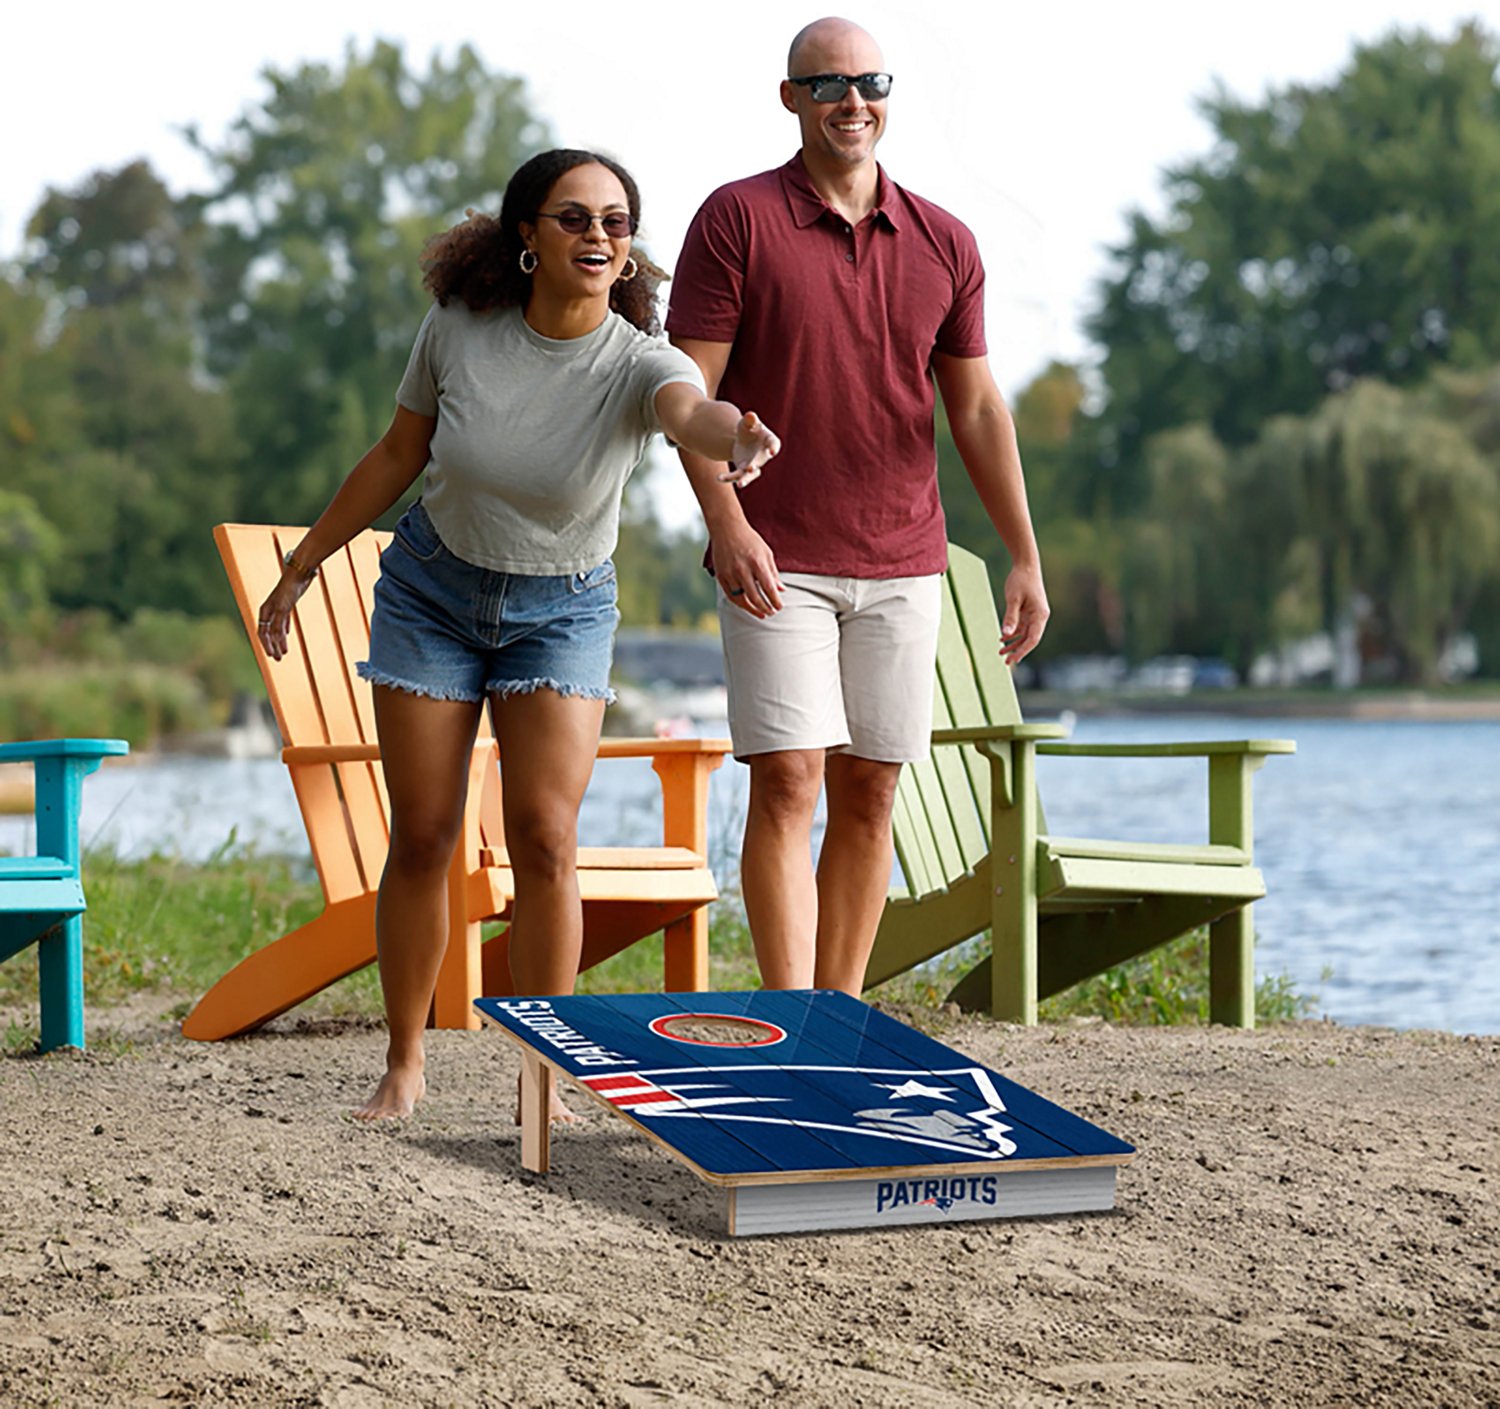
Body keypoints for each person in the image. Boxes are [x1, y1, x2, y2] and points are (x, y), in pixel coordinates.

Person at [255, 149, 781, 1121]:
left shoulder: (639, 360)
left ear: (628, 252)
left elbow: (688, 414)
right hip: (432, 596)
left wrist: (733, 437)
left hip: (563, 610)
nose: (597, 236)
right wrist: (306, 562)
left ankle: (546, 1072)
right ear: (528, 238)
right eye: (574, 218)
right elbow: (397, 453)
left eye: (615, 223)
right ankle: (405, 1061)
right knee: (423, 834)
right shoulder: (459, 329)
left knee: (545, 837)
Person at [666, 18, 1049, 997]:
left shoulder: (945, 242)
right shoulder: (735, 219)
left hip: (904, 556)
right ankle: (793, 1016)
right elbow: (684, 398)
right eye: (828, 84)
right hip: (776, 553)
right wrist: (728, 524)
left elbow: (975, 406)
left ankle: (838, 1014)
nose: (852, 100)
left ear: (887, 94)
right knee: (789, 777)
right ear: (790, 97)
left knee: (871, 787)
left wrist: (1022, 554)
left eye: (869, 81)